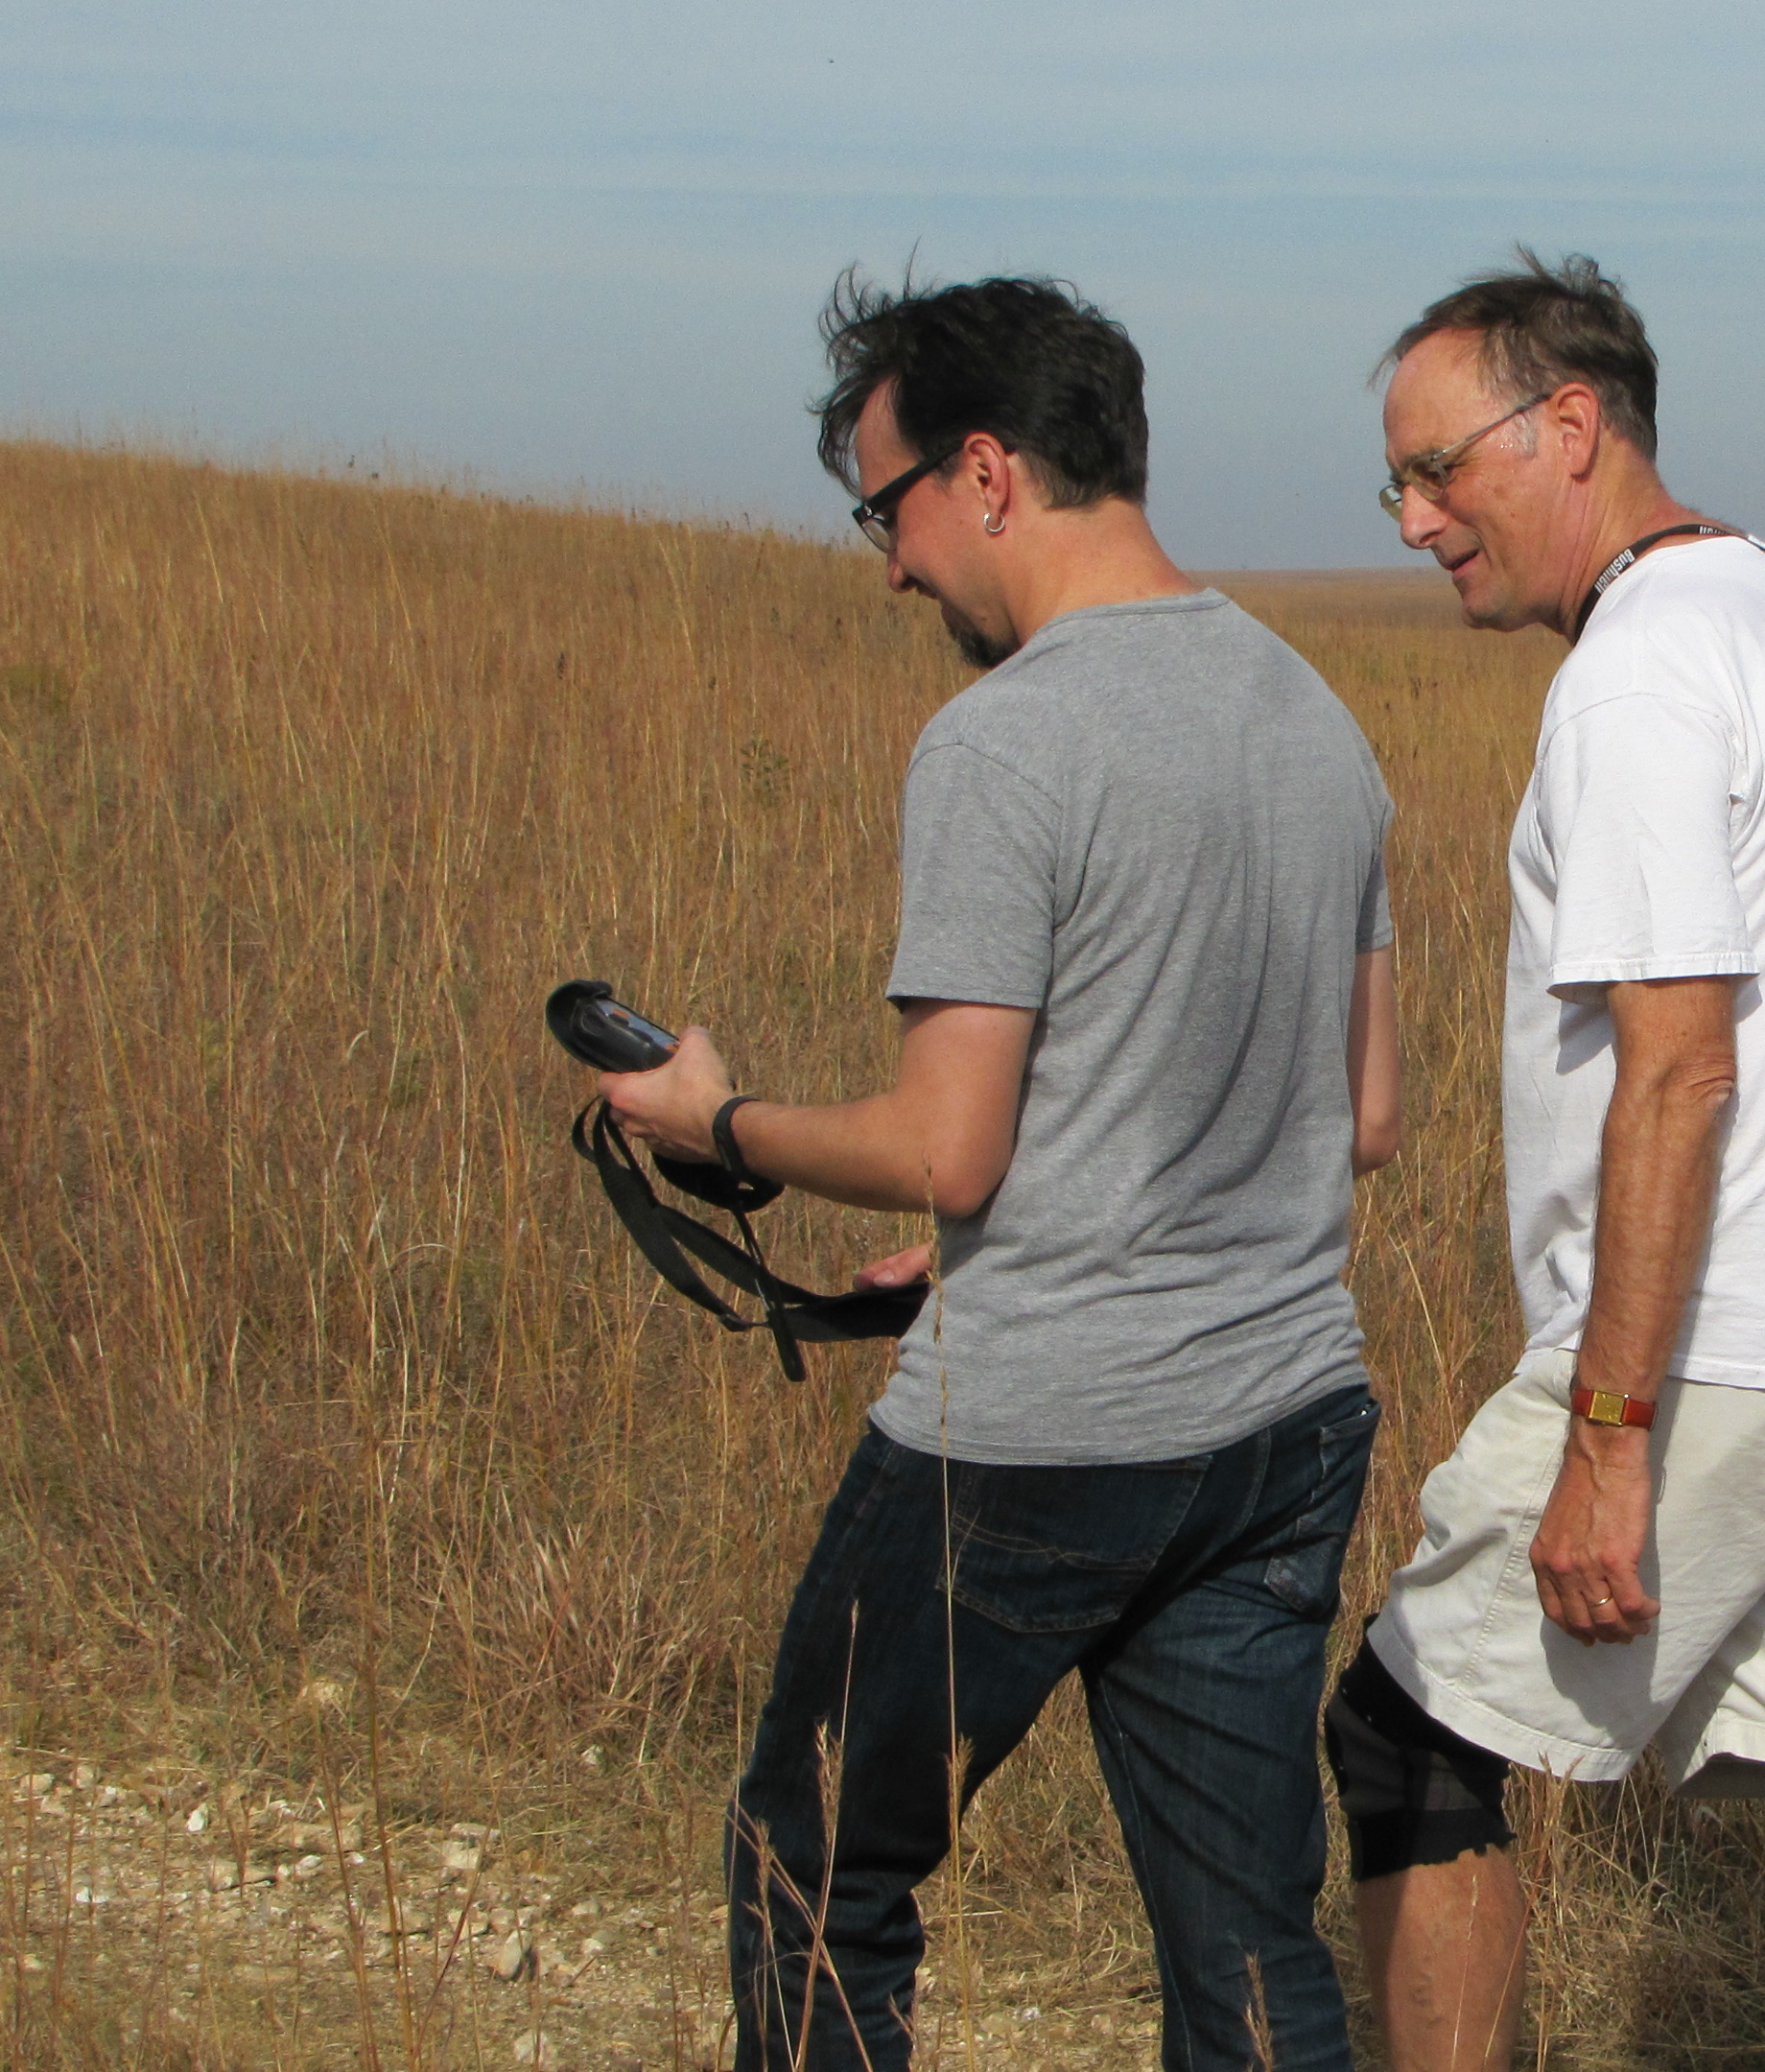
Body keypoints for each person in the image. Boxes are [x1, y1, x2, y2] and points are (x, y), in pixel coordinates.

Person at [598, 271, 1401, 2072]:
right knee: (1253, 1952)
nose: (887, 564)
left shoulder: (1005, 739)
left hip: (1036, 1438)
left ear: (983, 471)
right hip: (1280, 1421)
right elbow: (1360, 1113)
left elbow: (938, 1142)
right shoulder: (1315, 721)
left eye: (881, 508)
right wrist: (1021, 1223)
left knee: (813, 1872)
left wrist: (710, 1122)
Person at [1326, 250, 1765, 2071]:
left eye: (1440, 471)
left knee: (1411, 1743)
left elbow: (1679, 1076)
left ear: (1569, 427)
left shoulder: (1640, 677)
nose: (1416, 520)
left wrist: (1610, 1444)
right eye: (1393, 485)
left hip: (1720, 1355)